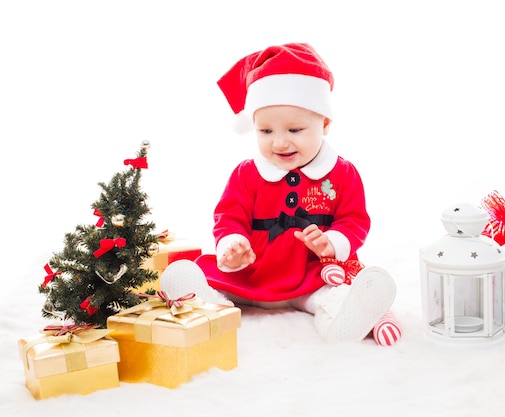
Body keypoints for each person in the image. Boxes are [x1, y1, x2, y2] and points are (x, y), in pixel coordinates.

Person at [161, 42, 402, 346]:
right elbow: (228, 217)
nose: (279, 143)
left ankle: (341, 319)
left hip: (309, 275)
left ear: (324, 123)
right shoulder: (247, 173)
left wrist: (333, 242)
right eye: (266, 132)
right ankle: (211, 305)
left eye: (294, 130)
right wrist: (234, 245)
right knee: (212, 274)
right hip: (252, 273)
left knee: (332, 293)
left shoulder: (341, 173)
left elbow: (354, 220)